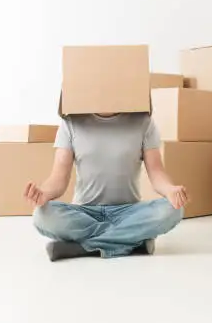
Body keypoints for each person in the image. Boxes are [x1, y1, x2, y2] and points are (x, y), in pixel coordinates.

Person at [23, 112, 188, 261]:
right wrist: (43, 193)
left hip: (128, 211)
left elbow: (157, 172)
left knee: (173, 209)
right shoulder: (71, 122)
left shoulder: (143, 121)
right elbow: (58, 178)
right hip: (85, 213)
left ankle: (83, 247)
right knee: (41, 215)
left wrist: (170, 190)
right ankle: (131, 242)